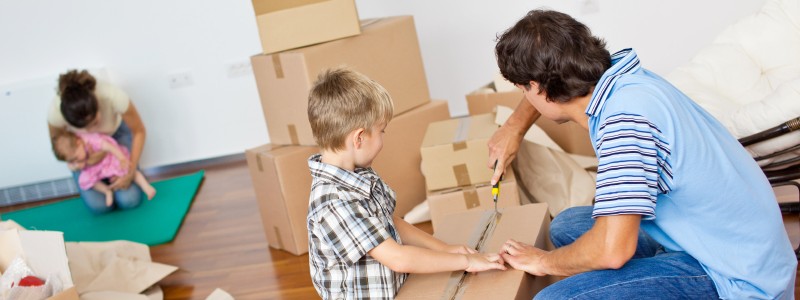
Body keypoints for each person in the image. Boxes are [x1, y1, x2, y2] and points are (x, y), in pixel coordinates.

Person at [488, 9, 796, 299]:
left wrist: (545, 262)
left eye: (523, 89)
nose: (525, 98)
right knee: (568, 224)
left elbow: (612, 249)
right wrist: (514, 127)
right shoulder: (622, 78)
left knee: (554, 297)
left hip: (738, 276)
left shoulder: (624, 124)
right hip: (730, 240)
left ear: (537, 87)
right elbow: (547, 80)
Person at [306, 67, 506, 299]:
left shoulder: (358, 175)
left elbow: (389, 222)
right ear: (359, 138)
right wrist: (466, 261)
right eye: (382, 131)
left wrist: (445, 249)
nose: (383, 139)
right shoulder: (335, 203)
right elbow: (398, 259)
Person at [47, 69, 149, 214]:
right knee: (99, 207)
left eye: (94, 123)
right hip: (83, 152)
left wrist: (130, 171)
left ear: (98, 107)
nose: (90, 132)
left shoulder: (113, 96)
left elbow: (139, 131)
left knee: (129, 200)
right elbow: (59, 147)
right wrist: (79, 163)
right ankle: (106, 182)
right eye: (82, 128)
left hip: (115, 136)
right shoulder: (55, 113)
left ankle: (122, 178)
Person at [52, 131, 156, 207]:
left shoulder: (90, 139)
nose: (75, 162)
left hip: (108, 160)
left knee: (127, 170)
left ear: (79, 143)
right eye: (72, 161)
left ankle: (146, 186)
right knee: (85, 180)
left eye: (76, 158)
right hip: (95, 169)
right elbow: (74, 165)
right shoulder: (74, 154)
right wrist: (76, 165)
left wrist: (121, 158)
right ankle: (107, 191)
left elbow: (109, 146)